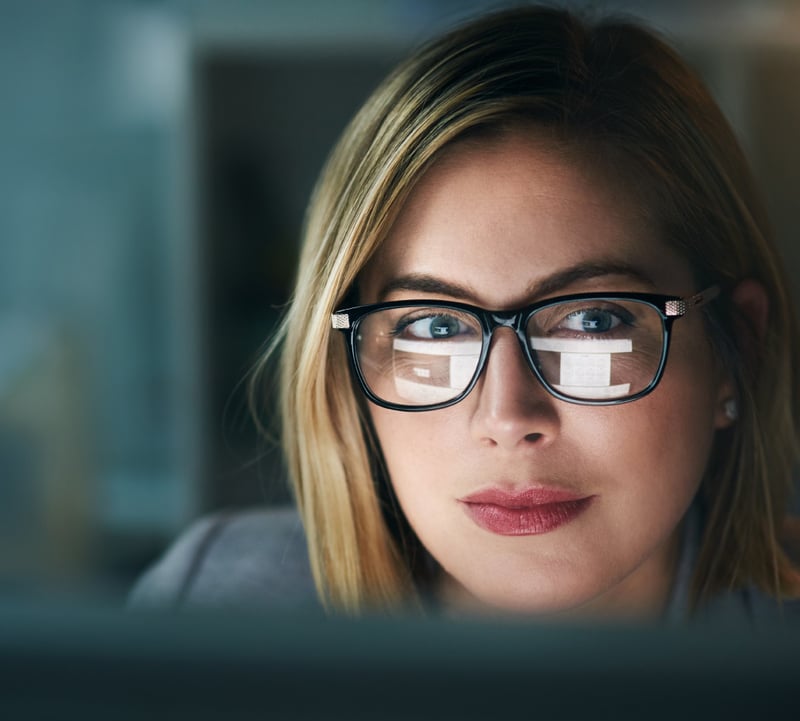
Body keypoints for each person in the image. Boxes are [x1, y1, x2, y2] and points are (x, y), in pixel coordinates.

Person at [131, 5, 800, 623]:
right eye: (434, 326)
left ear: (734, 348)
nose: (508, 419)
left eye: (593, 321)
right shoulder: (218, 608)